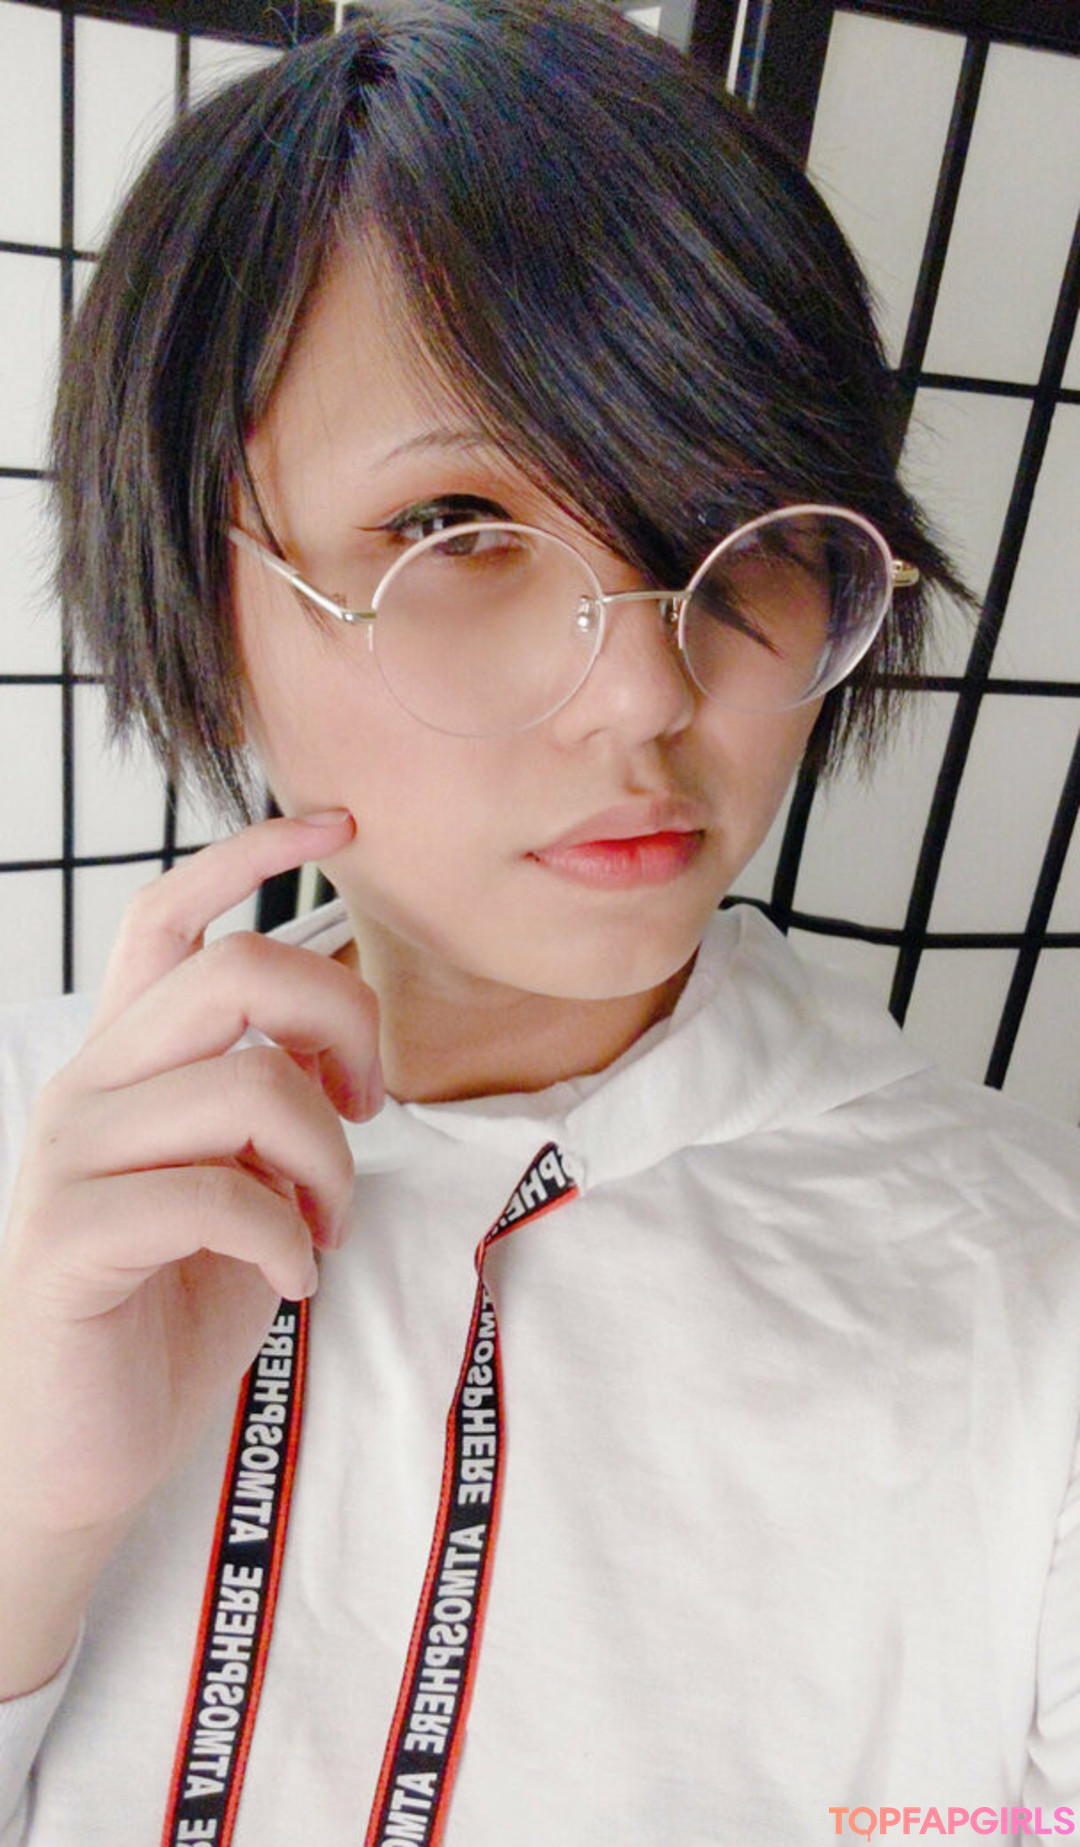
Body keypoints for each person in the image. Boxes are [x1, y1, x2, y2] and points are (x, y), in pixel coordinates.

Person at [0, 3, 1077, 1842]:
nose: (648, 695)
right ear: (201, 581)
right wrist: (32, 1525)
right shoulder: (36, 1161)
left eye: (741, 530)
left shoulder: (1027, 1299)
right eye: (459, 529)